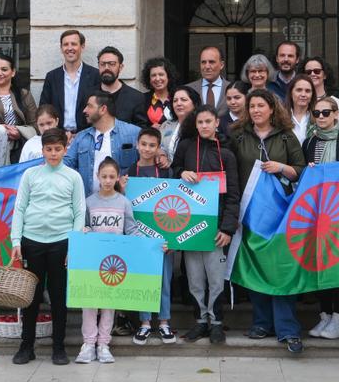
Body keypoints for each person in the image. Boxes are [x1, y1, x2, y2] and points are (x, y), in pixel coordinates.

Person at [229, 88, 305, 354]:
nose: (256, 110)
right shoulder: (237, 136)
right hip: (249, 213)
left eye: (261, 106)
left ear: (272, 108)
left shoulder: (286, 137)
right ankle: (262, 323)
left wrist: (280, 167)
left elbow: (302, 171)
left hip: (281, 216)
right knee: (256, 267)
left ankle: (287, 328)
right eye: (252, 106)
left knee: (280, 269)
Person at [10, 128, 87, 366]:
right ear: (42, 150)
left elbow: (79, 212)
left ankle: (58, 347)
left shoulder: (73, 177)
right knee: (31, 298)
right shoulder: (31, 175)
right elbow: (20, 208)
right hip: (32, 241)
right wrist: (16, 240)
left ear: (65, 149)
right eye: (48, 149)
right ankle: (26, 346)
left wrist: (73, 244)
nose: (53, 154)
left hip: (61, 243)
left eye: (57, 149)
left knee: (58, 296)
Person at [172, 105, 240, 344]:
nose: (203, 126)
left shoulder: (227, 154)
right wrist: (181, 172)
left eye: (208, 122)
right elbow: (173, 173)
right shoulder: (185, 147)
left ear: (216, 123)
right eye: (200, 122)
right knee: (194, 278)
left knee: (215, 278)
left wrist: (227, 228)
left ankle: (217, 323)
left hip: (216, 229)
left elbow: (233, 194)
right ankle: (200, 321)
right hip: (189, 226)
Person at [303, 96, 339, 341]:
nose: (321, 117)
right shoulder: (309, 141)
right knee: (319, 264)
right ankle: (325, 314)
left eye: (326, 112)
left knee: (336, 264)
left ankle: (338, 317)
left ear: (337, 115)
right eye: (316, 113)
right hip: (316, 212)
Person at [76, 158, 140, 364]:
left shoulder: (124, 202)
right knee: (89, 302)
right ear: (98, 177)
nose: (107, 180)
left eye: (112, 177)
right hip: (92, 261)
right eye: (104, 176)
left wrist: (153, 245)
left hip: (114, 264)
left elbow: (131, 230)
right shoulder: (88, 201)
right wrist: (83, 231)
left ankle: (103, 344)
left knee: (109, 303)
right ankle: (88, 344)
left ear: (118, 178)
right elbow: (82, 226)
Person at [129, 126, 176, 345]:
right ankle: (145, 323)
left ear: (159, 148)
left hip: (164, 238)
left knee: (164, 280)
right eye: (144, 144)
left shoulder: (166, 172)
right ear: (137, 144)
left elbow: (174, 206)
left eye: (152, 145)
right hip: (139, 238)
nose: (147, 149)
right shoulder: (129, 172)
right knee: (143, 279)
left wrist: (173, 238)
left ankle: (164, 322)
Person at [64, 91, 141, 195]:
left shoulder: (133, 133)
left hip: (122, 202)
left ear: (103, 109)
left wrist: (161, 154)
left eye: (89, 106)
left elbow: (151, 150)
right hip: (89, 203)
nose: (84, 110)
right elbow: (67, 164)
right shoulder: (81, 137)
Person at [39, 29, 100, 133]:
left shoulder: (95, 75)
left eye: (74, 44)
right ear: (61, 48)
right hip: (58, 137)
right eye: (65, 44)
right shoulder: (52, 77)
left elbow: (99, 109)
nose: (69, 48)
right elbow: (44, 108)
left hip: (88, 134)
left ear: (82, 46)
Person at [0, 54, 38, 161]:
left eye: (4, 69)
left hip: (20, 150)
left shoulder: (24, 94)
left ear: (13, 72)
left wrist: (19, 132)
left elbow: (35, 125)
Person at [96, 46, 148, 127]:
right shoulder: (88, 94)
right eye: (102, 64)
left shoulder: (136, 97)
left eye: (111, 64)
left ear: (120, 67)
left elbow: (141, 129)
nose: (106, 68)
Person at [159, 86, 199, 164]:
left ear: (194, 103)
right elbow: (158, 146)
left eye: (183, 100)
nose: (178, 103)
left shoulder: (201, 125)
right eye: (175, 101)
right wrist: (161, 155)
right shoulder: (166, 125)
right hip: (168, 173)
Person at [188, 46, 228, 114]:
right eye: (203, 62)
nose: (207, 66)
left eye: (211, 62)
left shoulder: (232, 88)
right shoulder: (188, 89)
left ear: (221, 65)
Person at [139, 57, 177, 127]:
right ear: (149, 79)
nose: (157, 78)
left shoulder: (177, 97)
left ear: (168, 76)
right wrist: (149, 129)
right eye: (153, 75)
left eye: (161, 74)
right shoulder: (142, 99)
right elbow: (139, 125)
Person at [283, 74, 317, 144]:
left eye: (307, 91)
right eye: (299, 90)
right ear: (291, 93)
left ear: (312, 95)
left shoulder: (318, 117)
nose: (303, 94)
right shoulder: (281, 118)